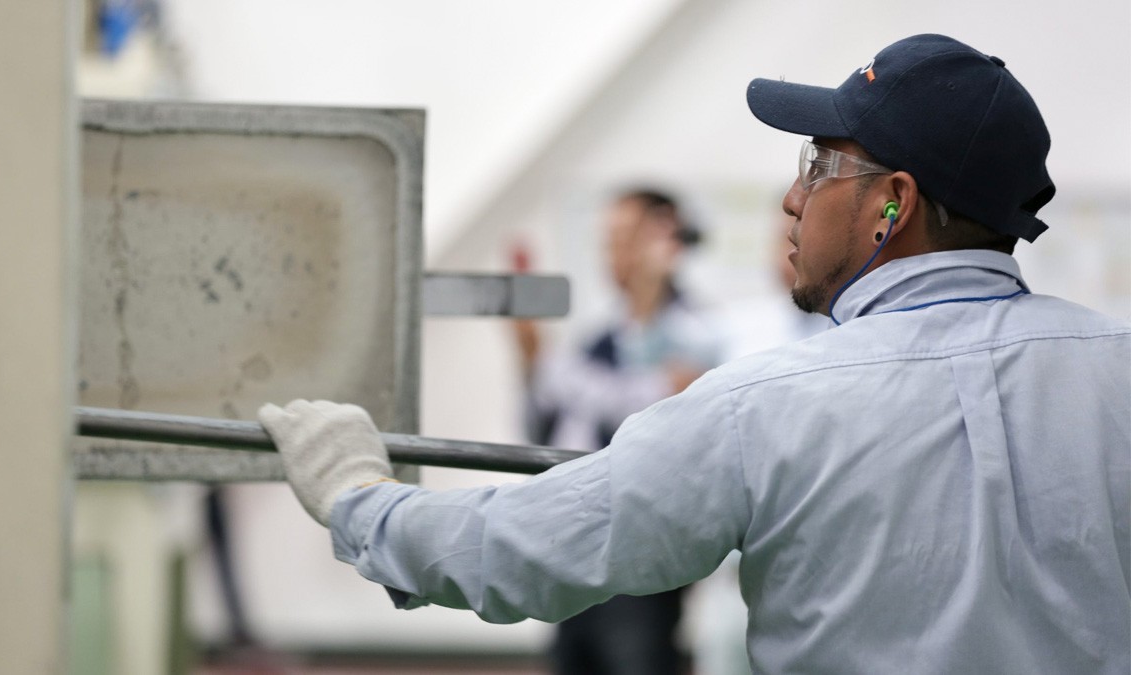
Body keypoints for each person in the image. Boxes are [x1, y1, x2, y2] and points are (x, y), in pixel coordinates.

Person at [259, 34, 1130, 674]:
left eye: (821, 163)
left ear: (892, 205)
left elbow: (523, 546)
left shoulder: (770, 401)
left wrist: (356, 499)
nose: (794, 196)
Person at [512, 188, 723, 675]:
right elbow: (549, 434)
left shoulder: (700, 330)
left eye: (627, 239)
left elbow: (649, 414)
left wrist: (555, 372)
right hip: (574, 555)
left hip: (640, 563)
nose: (615, 256)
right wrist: (528, 357)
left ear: (664, 238)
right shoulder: (599, 339)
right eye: (609, 243)